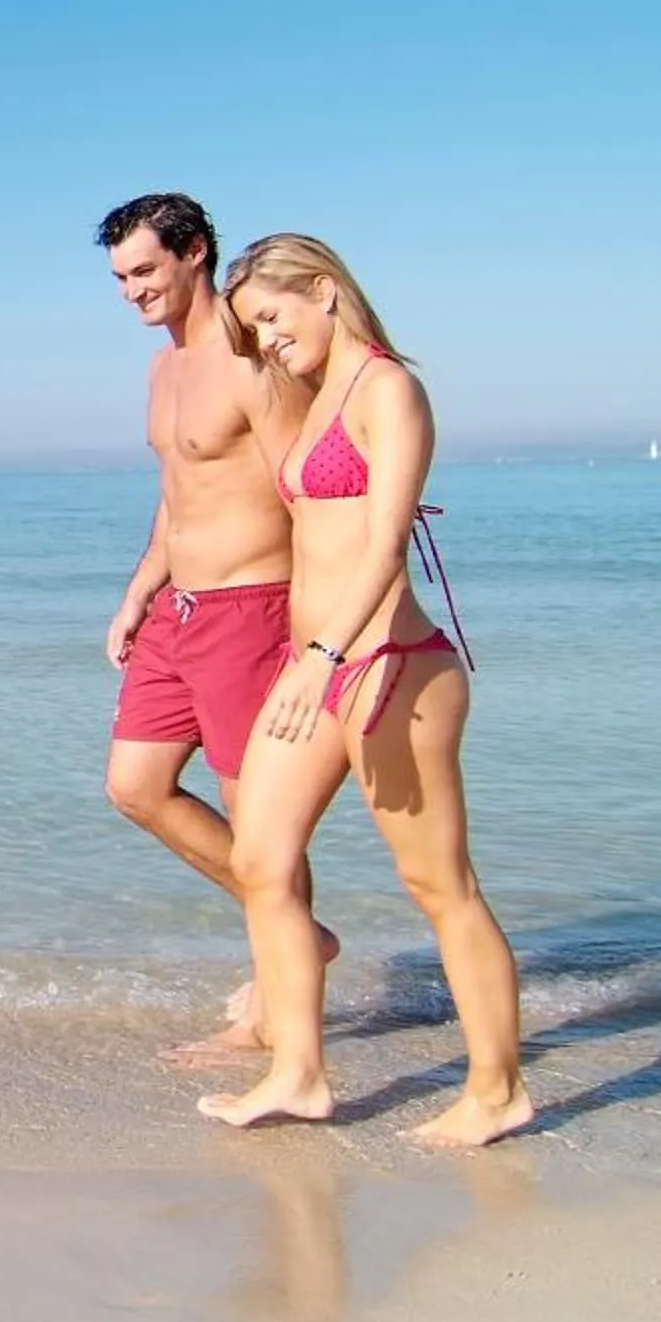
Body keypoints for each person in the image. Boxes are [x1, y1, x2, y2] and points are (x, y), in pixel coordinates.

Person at [198, 232, 529, 1146]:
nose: (269, 341)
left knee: (440, 886)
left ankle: (498, 1091)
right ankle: (298, 1075)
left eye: (273, 318)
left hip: (391, 668)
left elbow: (383, 546)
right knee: (261, 861)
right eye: (254, 331)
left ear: (326, 291)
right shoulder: (314, 401)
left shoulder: (389, 390)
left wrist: (323, 655)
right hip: (319, 668)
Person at [95, 192, 335, 1057]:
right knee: (136, 785)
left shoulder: (251, 359)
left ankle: (278, 1002)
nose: (132, 290)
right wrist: (139, 591)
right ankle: (300, 939)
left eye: (145, 270)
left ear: (194, 251)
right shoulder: (163, 370)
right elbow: (180, 492)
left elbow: (309, 491)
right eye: (121, 278)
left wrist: (319, 631)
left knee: (259, 817)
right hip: (179, 609)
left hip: (252, 608)